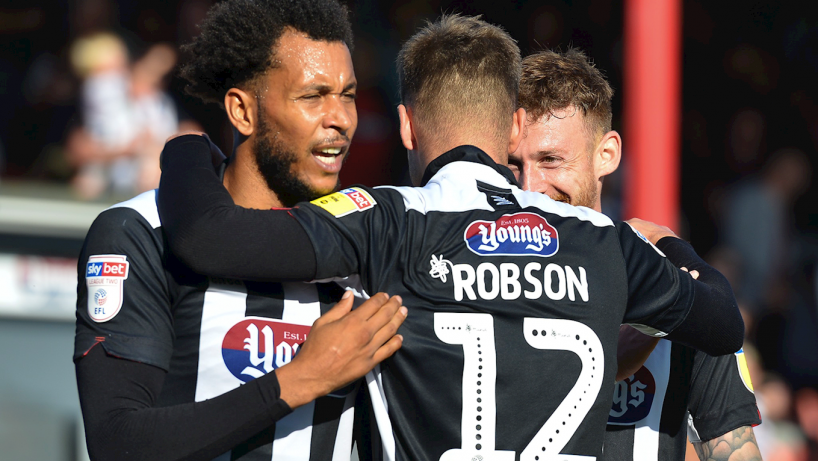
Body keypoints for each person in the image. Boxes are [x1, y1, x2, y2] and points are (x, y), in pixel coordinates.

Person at [156, 15, 745, 460]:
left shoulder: (384, 217)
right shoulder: (602, 241)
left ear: (408, 128)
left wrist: (186, 147)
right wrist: (668, 246)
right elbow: (723, 321)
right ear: (514, 126)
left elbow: (208, 236)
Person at [73, 0, 407, 459]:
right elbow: (118, 442)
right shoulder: (139, 233)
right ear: (242, 112)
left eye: (347, 95)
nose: (342, 120)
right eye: (313, 96)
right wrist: (302, 377)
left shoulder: (369, 240)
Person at [510, 48, 762, 460]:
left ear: (606, 155)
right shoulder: (474, 276)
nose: (528, 186)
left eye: (551, 160)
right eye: (512, 163)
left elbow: (735, 448)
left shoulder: (680, 288)